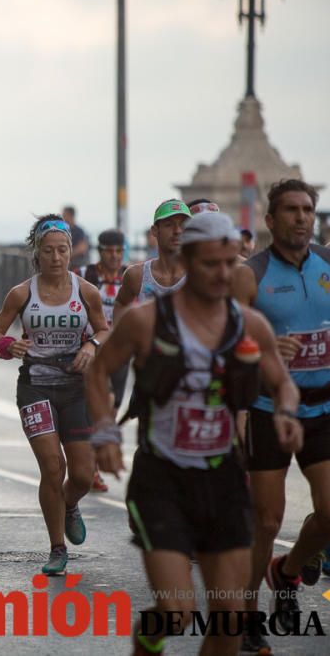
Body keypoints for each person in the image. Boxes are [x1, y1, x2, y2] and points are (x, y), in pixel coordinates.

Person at [86, 211, 303, 656]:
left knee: (228, 620)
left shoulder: (249, 325)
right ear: (187, 260)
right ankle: (148, 642)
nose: (224, 274)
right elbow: (99, 372)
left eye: (231, 264)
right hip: (161, 480)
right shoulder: (146, 321)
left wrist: (285, 412)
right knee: (176, 612)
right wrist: (106, 430)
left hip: (222, 479)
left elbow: (282, 382)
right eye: (211, 264)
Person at [230, 179, 330, 653]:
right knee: (267, 521)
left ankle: (286, 573)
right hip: (269, 409)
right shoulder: (251, 275)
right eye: (290, 210)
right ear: (270, 220)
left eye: (307, 209)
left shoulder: (329, 265)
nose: (301, 217)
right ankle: (248, 618)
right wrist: (264, 348)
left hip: (323, 408)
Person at [0, 216, 109, 575]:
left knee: (84, 475)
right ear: (37, 254)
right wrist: (10, 344)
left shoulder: (85, 291)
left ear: (71, 251)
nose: (56, 257)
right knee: (53, 466)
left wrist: (92, 345)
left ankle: (69, 504)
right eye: (48, 250)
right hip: (35, 386)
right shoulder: (22, 293)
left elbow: (104, 327)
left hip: (75, 388)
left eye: (63, 250)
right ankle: (57, 548)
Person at [77, 229, 128, 492]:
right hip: (93, 349)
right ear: (100, 251)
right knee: (101, 405)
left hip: (120, 350)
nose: (115, 256)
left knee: (112, 410)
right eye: (109, 251)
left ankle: (94, 460)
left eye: (119, 251)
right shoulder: (86, 275)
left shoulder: (129, 276)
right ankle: (92, 467)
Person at [112, 199, 192, 324]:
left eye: (183, 225)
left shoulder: (199, 274)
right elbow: (120, 304)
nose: (177, 231)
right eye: (169, 224)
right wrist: (123, 336)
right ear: (155, 230)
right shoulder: (137, 275)